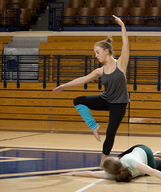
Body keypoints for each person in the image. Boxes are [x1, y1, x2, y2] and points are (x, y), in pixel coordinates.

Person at [53, 15, 129, 166]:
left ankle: (103, 161)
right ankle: (94, 126)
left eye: (97, 52)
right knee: (78, 101)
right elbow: (83, 79)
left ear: (106, 51)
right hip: (105, 99)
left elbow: (126, 45)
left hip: (119, 104)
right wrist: (64, 86)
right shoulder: (100, 70)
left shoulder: (121, 64)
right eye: (95, 53)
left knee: (110, 133)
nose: (95, 55)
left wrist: (122, 26)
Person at [61, 145, 161, 187]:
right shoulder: (128, 161)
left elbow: (91, 174)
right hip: (143, 156)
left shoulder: (111, 174)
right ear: (118, 162)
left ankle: (154, 156)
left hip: (142, 154)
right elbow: (151, 171)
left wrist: (72, 173)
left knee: (160, 164)